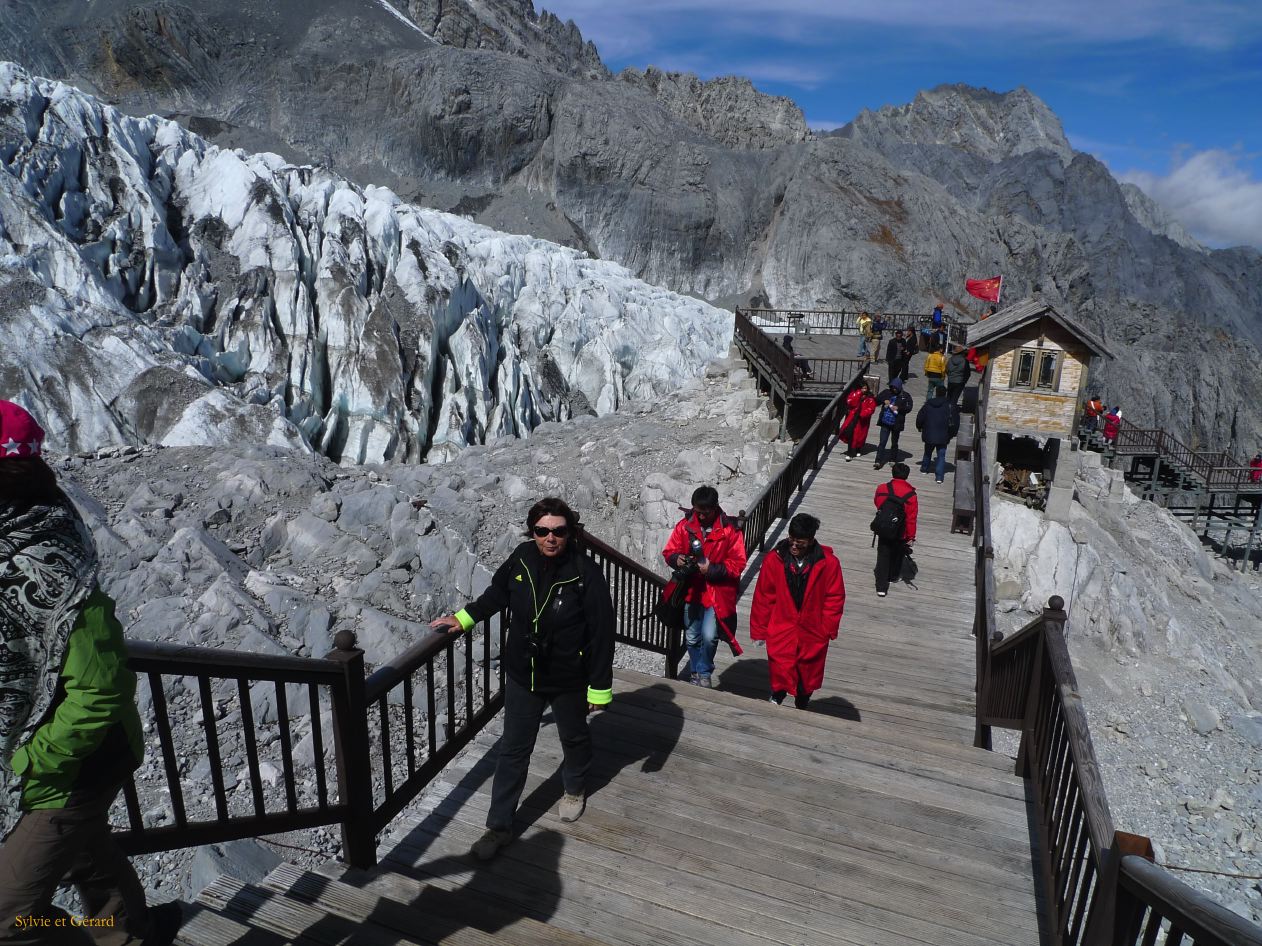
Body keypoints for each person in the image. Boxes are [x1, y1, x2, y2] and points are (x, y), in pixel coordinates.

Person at [0, 401, 182, 945]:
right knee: (87, 852)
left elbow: (100, 690)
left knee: (7, 918)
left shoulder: (48, 558)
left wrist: (32, 757)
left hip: (70, 763)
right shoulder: (27, 529)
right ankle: (129, 931)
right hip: (64, 758)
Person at [431, 497, 614, 860]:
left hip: (568, 677)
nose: (550, 538)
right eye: (542, 531)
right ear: (532, 532)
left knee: (574, 737)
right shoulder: (521, 558)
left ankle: (574, 789)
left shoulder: (586, 572)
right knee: (513, 749)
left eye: (558, 531)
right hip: (523, 674)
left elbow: (601, 631)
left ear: (570, 532)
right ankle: (498, 827)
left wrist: (600, 687)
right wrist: (464, 619)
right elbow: (497, 594)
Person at [748, 514, 845, 710]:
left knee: (808, 670)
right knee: (780, 664)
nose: (793, 546)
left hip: (813, 628)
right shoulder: (773, 560)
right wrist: (759, 630)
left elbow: (835, 597)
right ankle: (777, 695)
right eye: (791, 540)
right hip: (782, 625)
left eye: (799, 543)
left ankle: (803, 701)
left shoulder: (828, 563)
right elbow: (763, 597)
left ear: (810, 540)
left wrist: (827, 627)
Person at [661, 487, 746, 690]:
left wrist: (711, 569)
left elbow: (738, 563)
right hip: (691, 591)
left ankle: (704, 671)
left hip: (716, 594)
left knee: (709, 636)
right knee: (691, 635)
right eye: (697, 511)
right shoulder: (685, 526)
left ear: (715, 508)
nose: (700, 516)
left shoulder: (730, 530)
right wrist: (676, 559)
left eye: (704, 512)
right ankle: (697, 672)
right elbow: (669, 551)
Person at [872, 463, 918, 598]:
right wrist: (911, 536)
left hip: (884, 527)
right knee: (897, 553)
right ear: (907, 476)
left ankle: (881, 587)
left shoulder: (882, 488)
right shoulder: (911, 495)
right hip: (900, 530)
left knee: (883, 556)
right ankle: (892, 575)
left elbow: (877, 503)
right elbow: (911, 518)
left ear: (893, 473)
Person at [916, 385, 960, 483]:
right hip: (943, 434)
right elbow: (956, 422)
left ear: (936, 393)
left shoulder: (928, 404)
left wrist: (919, 427)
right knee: (941, 455)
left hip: (929, 433)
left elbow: (920, 417)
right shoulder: (950, 406)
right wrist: (952, 434)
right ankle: (939, 477)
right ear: (945, 393)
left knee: (927, 452)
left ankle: (924, 469)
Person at [873, 377, 913, 470]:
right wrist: (883, 401)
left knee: (894, 442)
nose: (894, 389)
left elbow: (909, 408)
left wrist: (898, 408)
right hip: (885, 422)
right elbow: (876, 401)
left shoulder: (905, 395)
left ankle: (892, 459)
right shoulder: (886, 392)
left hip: (896, 423)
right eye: (892, 387)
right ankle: (878, 461)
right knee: (882, 442)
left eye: (895, 387)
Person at [839, 380, 877, 461]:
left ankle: (858, 448)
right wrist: (859, 394)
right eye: (862, 388)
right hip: (853, 418)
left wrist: (863, 414)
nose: (864, 390)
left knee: (860, 436)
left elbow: (871, 409)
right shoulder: (855, 394)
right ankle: (850, 453)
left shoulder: (870, 397)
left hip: (863, 420)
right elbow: (850, 402)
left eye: (865, 388)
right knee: (851, 434)